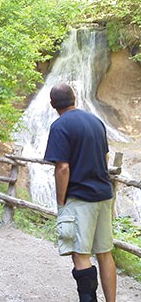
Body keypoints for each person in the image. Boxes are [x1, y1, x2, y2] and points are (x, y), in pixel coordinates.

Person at [44, 83, 116, 302]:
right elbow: (105, 158)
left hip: (79, 197)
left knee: (80, 254)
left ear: (52, 104)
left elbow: (62, 167)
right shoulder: (96, 122)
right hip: (103, 195)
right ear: (75, 98)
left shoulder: (60, 126)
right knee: (104, 253)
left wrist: (60, 202)